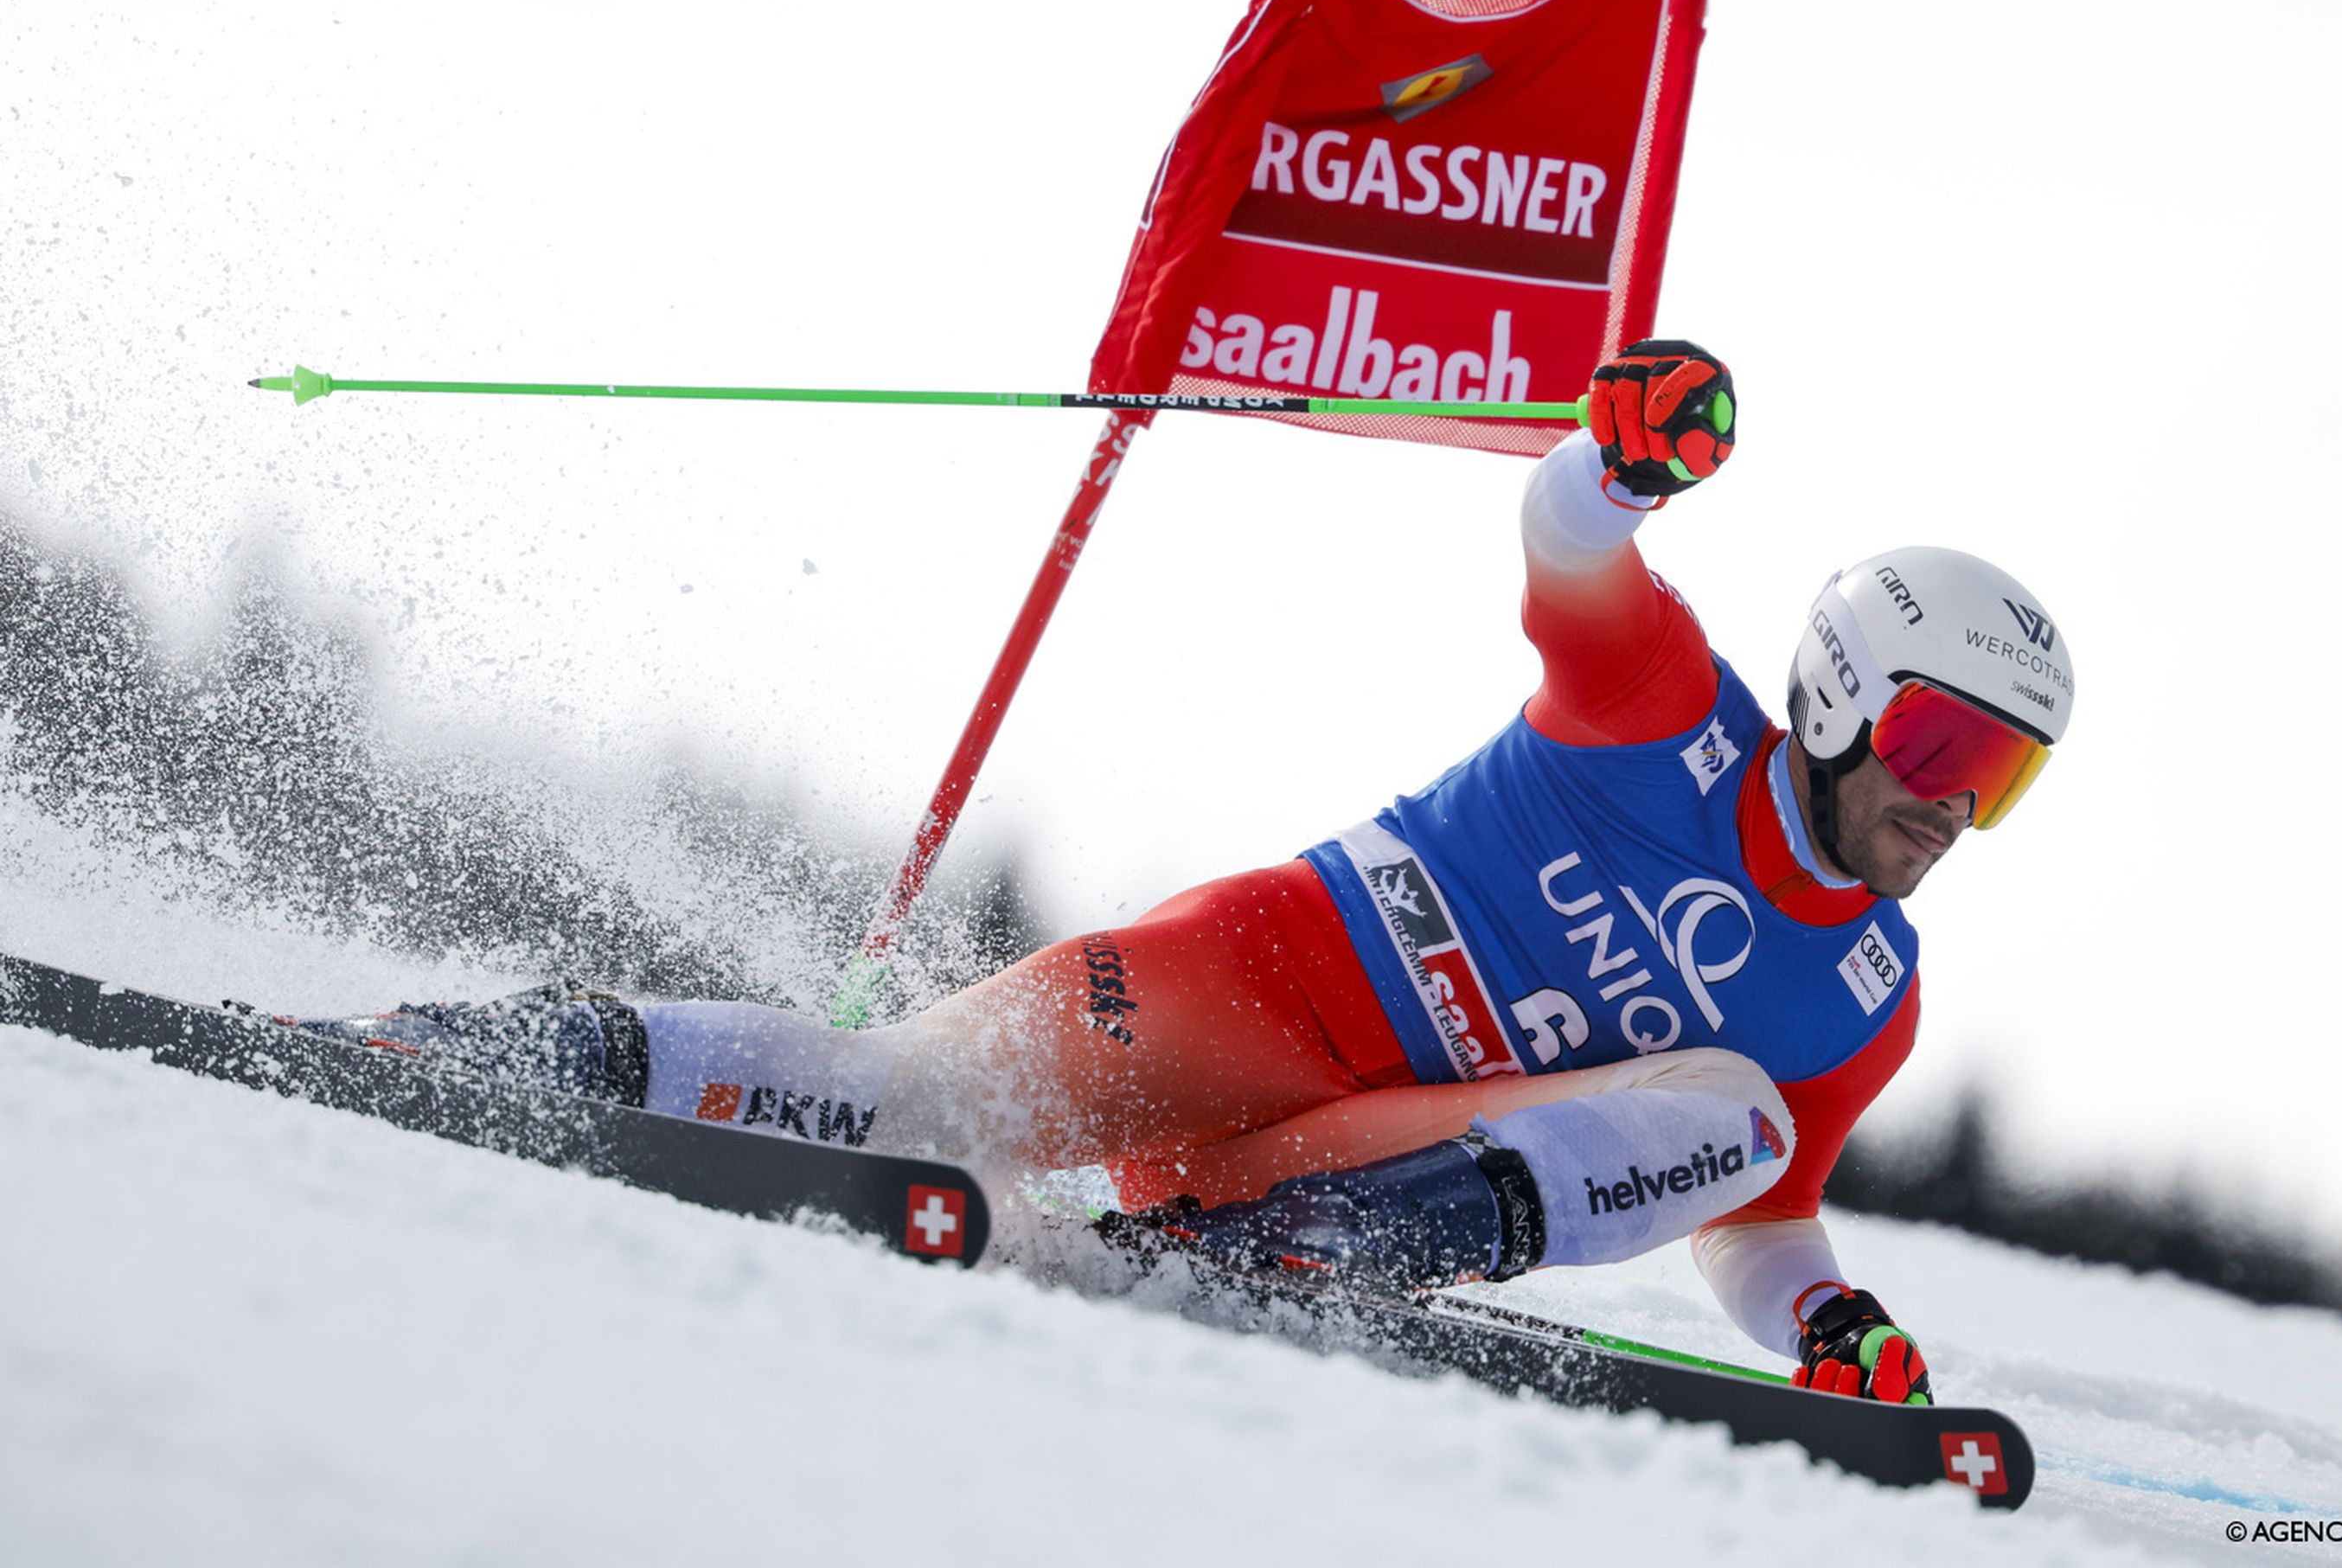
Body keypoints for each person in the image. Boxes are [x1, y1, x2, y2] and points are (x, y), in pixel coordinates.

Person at [299, 343, 2073, 1405]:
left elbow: (1752, 1216)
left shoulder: (1864, 998)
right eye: (1936, 750)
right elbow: (1564, 539)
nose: (1949, 810)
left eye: (1998, 781)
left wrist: (1825, 1317)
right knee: (924, 1106)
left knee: (1746, 1111)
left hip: (1362, 1167)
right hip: (1263, 984)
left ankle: (1262, 1256)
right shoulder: (1657, 705)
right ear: (1837, 693)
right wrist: (1617, 457)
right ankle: (514, 1050)